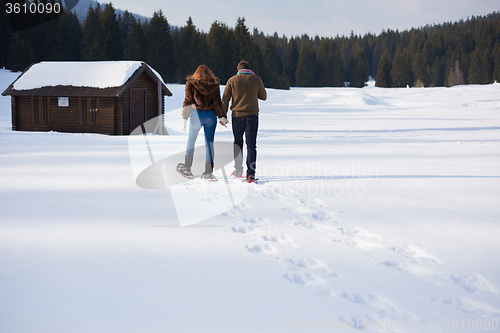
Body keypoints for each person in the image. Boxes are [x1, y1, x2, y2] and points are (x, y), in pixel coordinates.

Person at [177, 65, 228, 181]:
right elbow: (216, 102)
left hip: (196, 116)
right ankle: (208, 173)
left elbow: (188, 100)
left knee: (191, 140)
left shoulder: (191, 83)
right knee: (209, 144)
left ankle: (187, 168)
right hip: (211, 117)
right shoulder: (214, 84)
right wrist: (221, 116)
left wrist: (184, 118)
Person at [221, 60, 267, 183]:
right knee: (251, 145)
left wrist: (222, 116)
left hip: (236, 116)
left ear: (238, 70)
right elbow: (264, 96)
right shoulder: (256, 79)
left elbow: (225, 99)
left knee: (238, 143)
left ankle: (238, 170)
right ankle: (251, 174)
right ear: (249, 69)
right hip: (252, 116)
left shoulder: (232, 80)